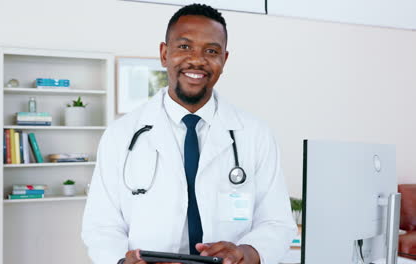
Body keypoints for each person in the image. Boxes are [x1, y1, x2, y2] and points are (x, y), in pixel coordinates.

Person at [82, 4, 297, 264]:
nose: (197, 59)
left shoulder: (255, 134)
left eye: (211, 51)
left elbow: (276, 221)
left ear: (224, 60)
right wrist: (121, 261)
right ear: (164, 54)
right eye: (184, 47)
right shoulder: (120, 135)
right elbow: (101, 225)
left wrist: (247, 253)